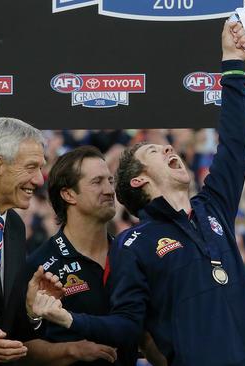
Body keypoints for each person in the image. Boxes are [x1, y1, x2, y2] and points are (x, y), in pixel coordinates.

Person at [32, 21, 245, 366]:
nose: (167, 151)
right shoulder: (133, 245)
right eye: (153, 153)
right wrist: (68, 319)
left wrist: (232, 62)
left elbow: (236, 142)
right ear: (138, 181)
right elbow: (127, 327)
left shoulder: (213, 207)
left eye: (166, 148)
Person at [24, 146, 146, 365]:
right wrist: (72, 351)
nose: (110, 190)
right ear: (69, 194)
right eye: (97, 182)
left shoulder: (132, 254)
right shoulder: (39, 267)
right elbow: (24, 346)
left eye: (110, 180)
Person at [0, 117, 62, 364]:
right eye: (31, 167)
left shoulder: (15, 227)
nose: (40, 180)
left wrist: (30, 309)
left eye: (40, 168)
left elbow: (6, 322)